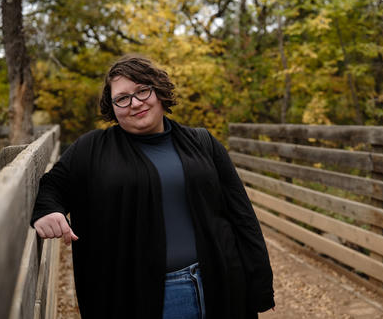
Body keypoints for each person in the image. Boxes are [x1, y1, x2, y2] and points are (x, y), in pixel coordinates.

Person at [30, 54, 275, 319]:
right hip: (149, 296)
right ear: (112, 107)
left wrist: (260, 284)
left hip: (222, 283)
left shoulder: (203, 142)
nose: (135, 104)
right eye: (122, 98)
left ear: (158, 91)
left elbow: (242, 216)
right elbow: (51, 186)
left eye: (142, 91)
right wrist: (48, 211)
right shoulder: (91, 149)